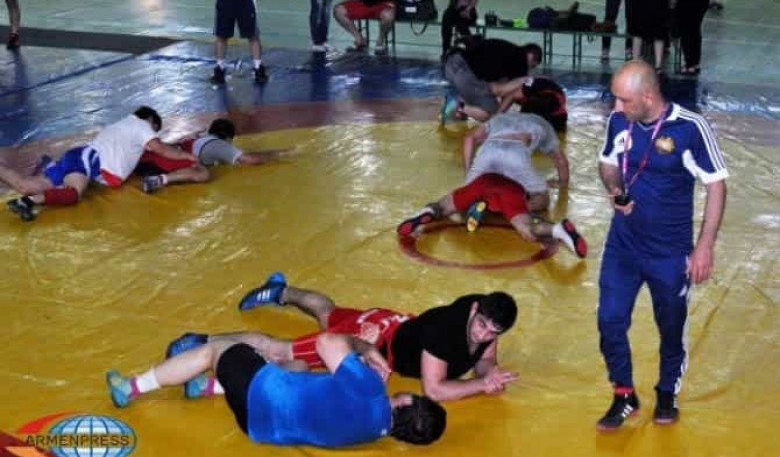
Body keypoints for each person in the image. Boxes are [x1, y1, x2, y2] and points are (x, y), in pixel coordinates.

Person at [596, 61, 728, 430]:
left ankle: (667, 390)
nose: (616, 107)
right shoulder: (619, 121)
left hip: (669, 252)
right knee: (609, 320)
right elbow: (607, 163)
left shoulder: (689, 128)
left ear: (648, 96)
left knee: (670, 325)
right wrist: (615, 189)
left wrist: (704, 246)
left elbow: (716, 185)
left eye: (624, 100)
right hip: (623, 245)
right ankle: (624, 394)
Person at [172, 276, 520, 402]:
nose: (483, 335)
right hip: (375, 340)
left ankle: (282, 291)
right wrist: (481, 385)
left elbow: (485, 359)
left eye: (493, 332)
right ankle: (203, 340)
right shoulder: (444, 333)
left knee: (329, 314)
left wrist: (490, 373)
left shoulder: (486, 314)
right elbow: (435, 390)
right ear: (474, 309)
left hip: (394, 324)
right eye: (481, 326)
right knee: (282, 351)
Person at [106, 332, 446, 447]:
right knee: (300, 368)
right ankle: (207, 386)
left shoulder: (372, 390)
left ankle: (132, 387)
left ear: (407, 399)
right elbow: (334, 397)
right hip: (260, 429)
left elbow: (328, 342)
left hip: (261, 395)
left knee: (216, 350)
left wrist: (364, 348)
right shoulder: (372, 433)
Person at [398, 111, 587, 258]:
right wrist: (562, 183)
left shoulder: (500, 118)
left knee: (454, 201)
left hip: (487, 155)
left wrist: (469, 174)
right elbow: (561, 161)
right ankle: (556, 229)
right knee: (541, 201)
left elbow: (469, 138)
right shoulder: (543, 125)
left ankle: (429, 212)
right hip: (515, 162)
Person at [1, 107, 198, 222]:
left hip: (80, 157)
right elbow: (161, 149)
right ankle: (28, 202)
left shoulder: (124, 125)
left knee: (25, 186)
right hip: (86, 161)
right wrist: (187, 157)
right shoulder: (141, 125)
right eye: (155, 130)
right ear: (150, 121)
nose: (153, 135)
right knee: (73, 194)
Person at [136, 118, 291, 193]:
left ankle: (157, 177)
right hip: (158, 165)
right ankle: (158, 180)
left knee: (198, 165)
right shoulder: (218, 145)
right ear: (228, 138)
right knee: (203, 173)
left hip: (147, 159)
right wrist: (279, 154)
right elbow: (251, 159)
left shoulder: (202, 138)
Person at [441, 38, 543, 123]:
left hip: (452, 64)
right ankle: (454, 106)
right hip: (467, 75)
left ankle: (460, 109)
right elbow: (504, 93)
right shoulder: (521, 64)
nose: (530, 69)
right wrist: (499, 115)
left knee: (484, 97)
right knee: (490, 115)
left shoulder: (510, 50)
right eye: (532, 66)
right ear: (531, 57)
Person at [494, 76, 569, 132]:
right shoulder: (524, 86)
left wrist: (496, 117)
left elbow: (505, 104)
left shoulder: (516, 90)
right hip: (558, 113)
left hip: (550, 107)